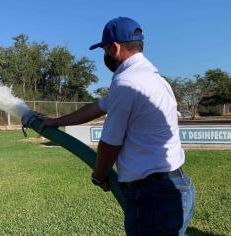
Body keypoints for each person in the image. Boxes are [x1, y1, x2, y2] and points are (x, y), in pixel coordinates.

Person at [42, 17, 195, 235]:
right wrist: (55, 121)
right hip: (178, 185)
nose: (105, 57)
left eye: (104, 50)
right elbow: (97, 107)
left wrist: (99, 175)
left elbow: (109, 144)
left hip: (152, 196)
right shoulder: (155, 80)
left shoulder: (126, 83)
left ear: (114, 48)